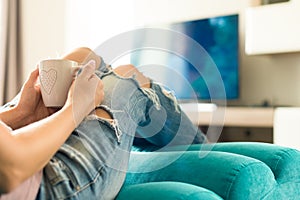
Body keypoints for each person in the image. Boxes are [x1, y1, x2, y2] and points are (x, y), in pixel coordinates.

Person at [0, 47, 206, 199]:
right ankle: (202, 149)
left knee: (81, 56)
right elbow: (11, 169)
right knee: (126, 75)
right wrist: (74, 108)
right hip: (53, 187)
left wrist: (20, 114)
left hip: (26, 166)